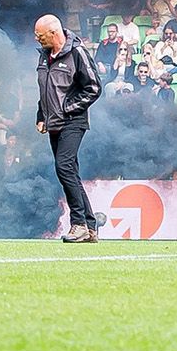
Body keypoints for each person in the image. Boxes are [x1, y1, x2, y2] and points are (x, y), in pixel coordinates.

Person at [34, 13, 103, 243]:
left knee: (63, 166)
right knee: (69, 171)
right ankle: (91, 227)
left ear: (54, 33)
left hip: (73, 121)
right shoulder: (44, 56)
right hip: (53, 122)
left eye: (40, 36)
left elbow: (93, 88)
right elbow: (44, 90)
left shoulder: (77, 53)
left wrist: (67, 109)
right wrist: (41, 115)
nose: (37, 40)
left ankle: (79, 224)